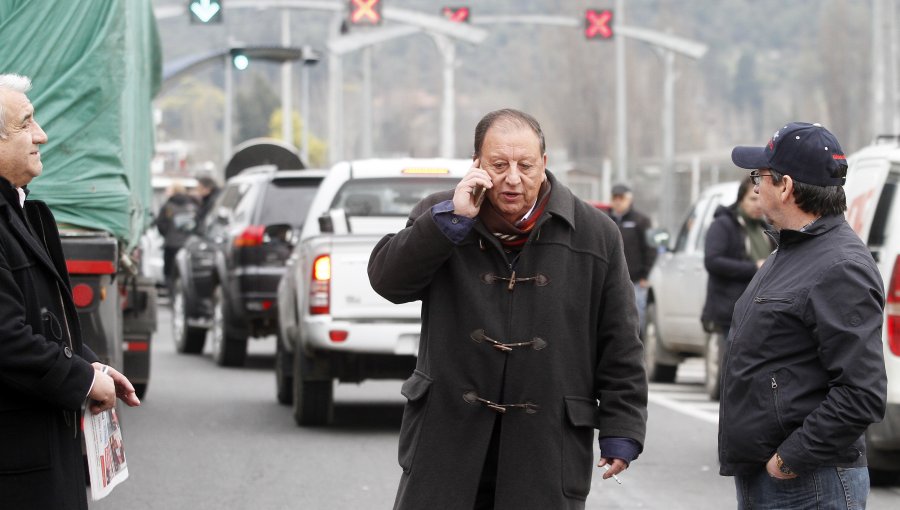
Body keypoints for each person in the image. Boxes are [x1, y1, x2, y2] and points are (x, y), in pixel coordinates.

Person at [369, 109, 648, 509]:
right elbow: (388, 282)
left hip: (547, 445)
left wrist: (622, 426)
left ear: (545, 164)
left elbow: (620, 340)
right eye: (499, 165)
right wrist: (450, 222)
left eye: (525, 165)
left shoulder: (595, 233)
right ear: (477, 165)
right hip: (446, 440)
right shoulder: (442, 214)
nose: (513, 178)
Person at [719, 122, 887, 509]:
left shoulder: (839, 265)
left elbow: (861, 392)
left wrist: (788, 461)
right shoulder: (791, 252)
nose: (754, 186)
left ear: (786, 186)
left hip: (809, 484)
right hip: (774, 479)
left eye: (759, 176)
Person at [0, 74, 140, 509]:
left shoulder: (24, 212)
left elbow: (46, 322)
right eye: (26, 124)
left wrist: (90, 363)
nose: (41, 135)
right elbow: (6, 338)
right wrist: (81, 380)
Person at [700, 176, 773, 395]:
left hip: (760, 307)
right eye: (752, 198)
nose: (757, 204)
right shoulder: (724, 225)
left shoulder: (767, 227)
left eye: (760, 198)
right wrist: (753, 268)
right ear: (740, 199)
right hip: (729, 308)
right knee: (731, 362)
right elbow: (713, 261)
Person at [608, 183, 657, 333]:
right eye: (615, 197)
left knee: (636, 318)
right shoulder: (605, 220)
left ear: (629, 199)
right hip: (610, 279)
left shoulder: (642, 221)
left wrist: (645, 275)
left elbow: (650, 248)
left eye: (621, 197)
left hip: (635, 279)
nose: (617, 201)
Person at [155, 180, 198, 292]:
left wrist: (168, 235)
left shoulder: (168, 206)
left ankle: (172, 294)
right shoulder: (193, 205)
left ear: (173, 191)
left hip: (171, 245)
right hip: (189, 245)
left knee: (169, 272)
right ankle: (185, 293)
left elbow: (160, 224)